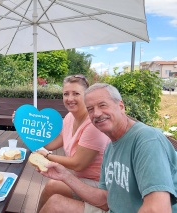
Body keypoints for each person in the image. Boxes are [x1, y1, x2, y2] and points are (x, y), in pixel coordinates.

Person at [39, 83, 177, 212]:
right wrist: (65, 175)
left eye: (103, 105)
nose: (97, 114)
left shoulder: (146, 139)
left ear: (121, 106)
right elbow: (105, 199)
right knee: (54, 203)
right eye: (90, 109)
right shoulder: (111, 147)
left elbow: (158, 208)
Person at [35, 75, 110, 212]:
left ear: (86, 97)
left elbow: (78, 164)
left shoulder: (92, 124)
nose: (70, 99)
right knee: (51, 187)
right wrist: (27, 131)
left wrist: (47, 156)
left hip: (99, 185)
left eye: (76, 93)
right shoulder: (70, 117)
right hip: (82, 178)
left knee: (53, 188)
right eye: (66, 94)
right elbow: (55, 142)